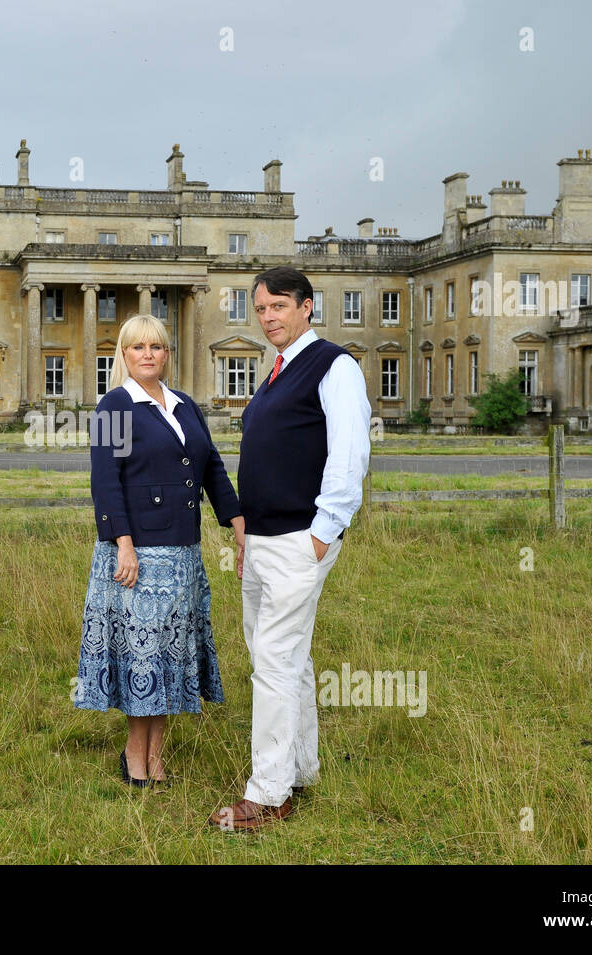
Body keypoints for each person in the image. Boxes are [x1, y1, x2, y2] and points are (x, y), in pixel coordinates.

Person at [208, 266, 371, 830]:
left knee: (274, 660)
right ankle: (301, 769)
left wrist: (325, 530)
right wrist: (248, 535)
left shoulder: (334, 365)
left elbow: (350, 452)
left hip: (303, 538)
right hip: (263, 540)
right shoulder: (276, 372)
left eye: (279, 305)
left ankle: (269, 793)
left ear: (306, 307)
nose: (268, 316)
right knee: (283, 658)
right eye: (260, 308)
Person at [75, 313, 245, 788]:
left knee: (171, 654)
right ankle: (134, 756)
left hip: (183, 552)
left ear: (167, 353)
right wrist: (123, 544)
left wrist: (238, 523)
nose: (148, 354)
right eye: (138, 347)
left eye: (157, 347)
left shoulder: (185, 405)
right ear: (124, 355)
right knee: (141, 657)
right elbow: (105, 481)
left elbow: (212, 468)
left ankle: (157, 755)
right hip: (136, 553)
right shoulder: (114, 407)